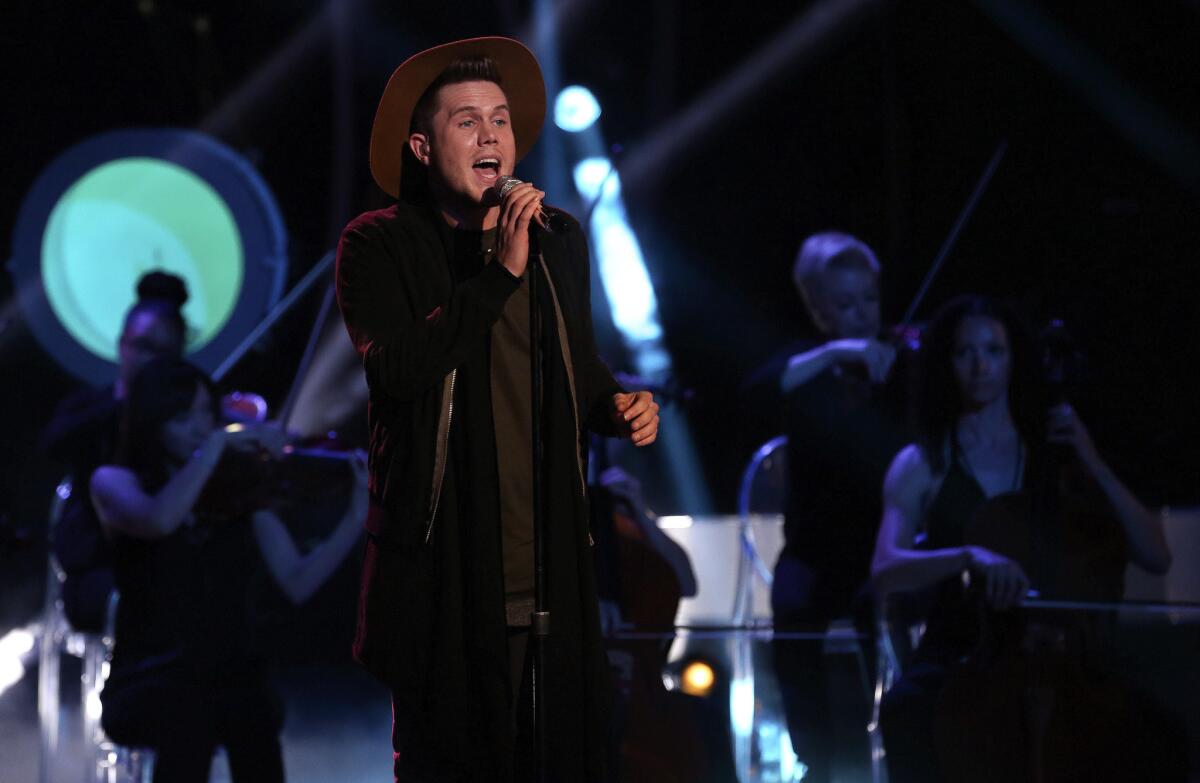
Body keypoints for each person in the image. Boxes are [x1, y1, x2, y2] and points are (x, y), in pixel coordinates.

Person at [334, 36, 659, 782]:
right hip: (445, 576)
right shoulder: (379, 245)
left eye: (502, 120)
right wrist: (495, 274)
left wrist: (616, 405)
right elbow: (400, 371)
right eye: (467, 121)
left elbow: (576, 366)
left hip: (548, 566)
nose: (491, 136)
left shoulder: (556, 239)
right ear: (422, 146)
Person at [870, 295, 1179, 782]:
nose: (979, 367)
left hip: (1060, 647)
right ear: (945, 364)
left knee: (1159, 727)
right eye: (964, 353)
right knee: (907, 709)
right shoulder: (922, 462)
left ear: (1015, 360)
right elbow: (885, 570)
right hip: (966, 644)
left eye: (994, 351)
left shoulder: (1055, 452)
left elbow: (1156, 556)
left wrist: (1091, 458)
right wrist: (967, 556)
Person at [89, 358, 368, 783]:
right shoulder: (115, 482)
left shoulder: (236, 485)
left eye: (205, 412)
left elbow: (296, 580)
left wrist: (356, 515)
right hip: (149, 674)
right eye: (184, 417)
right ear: (152, 422)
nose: (201, 426)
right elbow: (158, 520)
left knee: (253, 714)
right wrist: (215, 447)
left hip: (227, 673)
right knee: (190, 721)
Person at [769, 232, 910, 782]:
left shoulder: (901, 365)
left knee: (904, 608)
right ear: (818, 310)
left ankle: (907, 745)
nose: (861, 317)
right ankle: (817, 760)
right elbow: (755, 389)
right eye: (844, 306)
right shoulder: (808, 367)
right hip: (817, 547)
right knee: (791, 603)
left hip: (888, 543)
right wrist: (834, 354)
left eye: (868, 301)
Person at [41, 270, 189, 632]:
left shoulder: (184, 416)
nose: (151, 361)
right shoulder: (91, 406)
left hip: (166, 558)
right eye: (143, 346)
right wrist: (121, 405)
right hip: (98, 563)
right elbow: (52, 444)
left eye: (164, 352)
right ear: (123, 343)